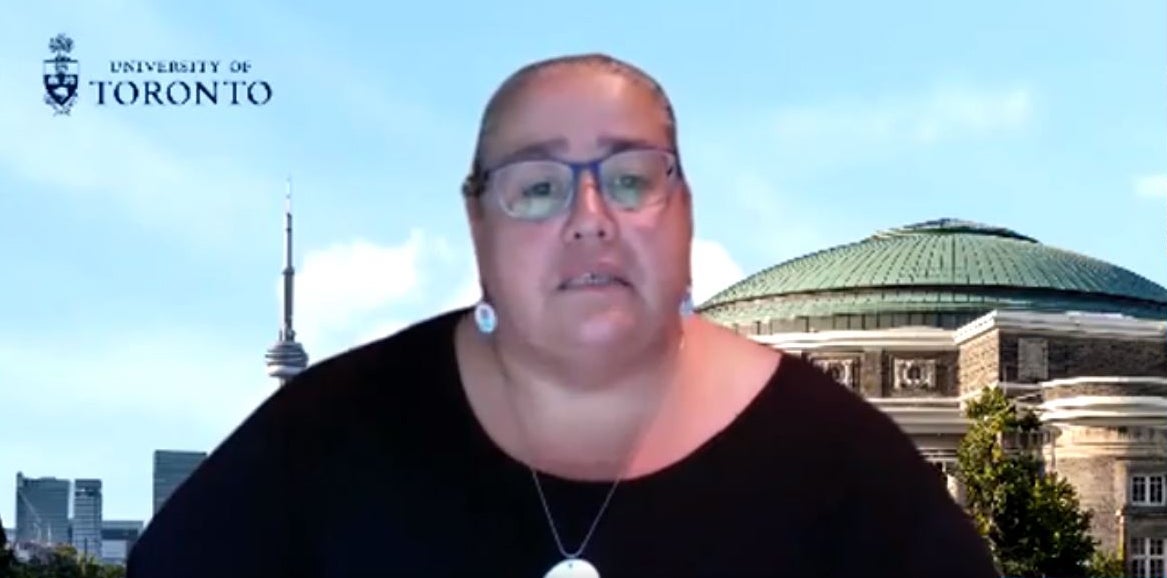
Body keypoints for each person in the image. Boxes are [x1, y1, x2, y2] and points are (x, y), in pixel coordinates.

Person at [127, 53, 1000, 578]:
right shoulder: (322, 439)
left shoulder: (836, 455)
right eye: (539, 187)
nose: (589, 218)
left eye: (629, 181)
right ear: (480, 222)